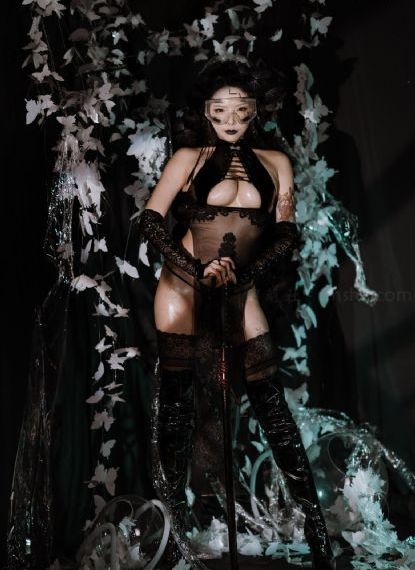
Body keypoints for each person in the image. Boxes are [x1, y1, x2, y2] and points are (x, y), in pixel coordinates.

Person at [139, 56, 336, 570]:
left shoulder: (275, 162)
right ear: (206, 109)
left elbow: (286, 232)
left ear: (255, 111)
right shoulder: (188, 157)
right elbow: (151, 220)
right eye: (220, 109)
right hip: (183, 287)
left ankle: (318, 536)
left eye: (241, 110)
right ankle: (173, 534)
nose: (230, 119)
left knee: (272, 406)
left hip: (238, 284)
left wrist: (244, 275)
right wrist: (195, 270)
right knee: (179, 409)